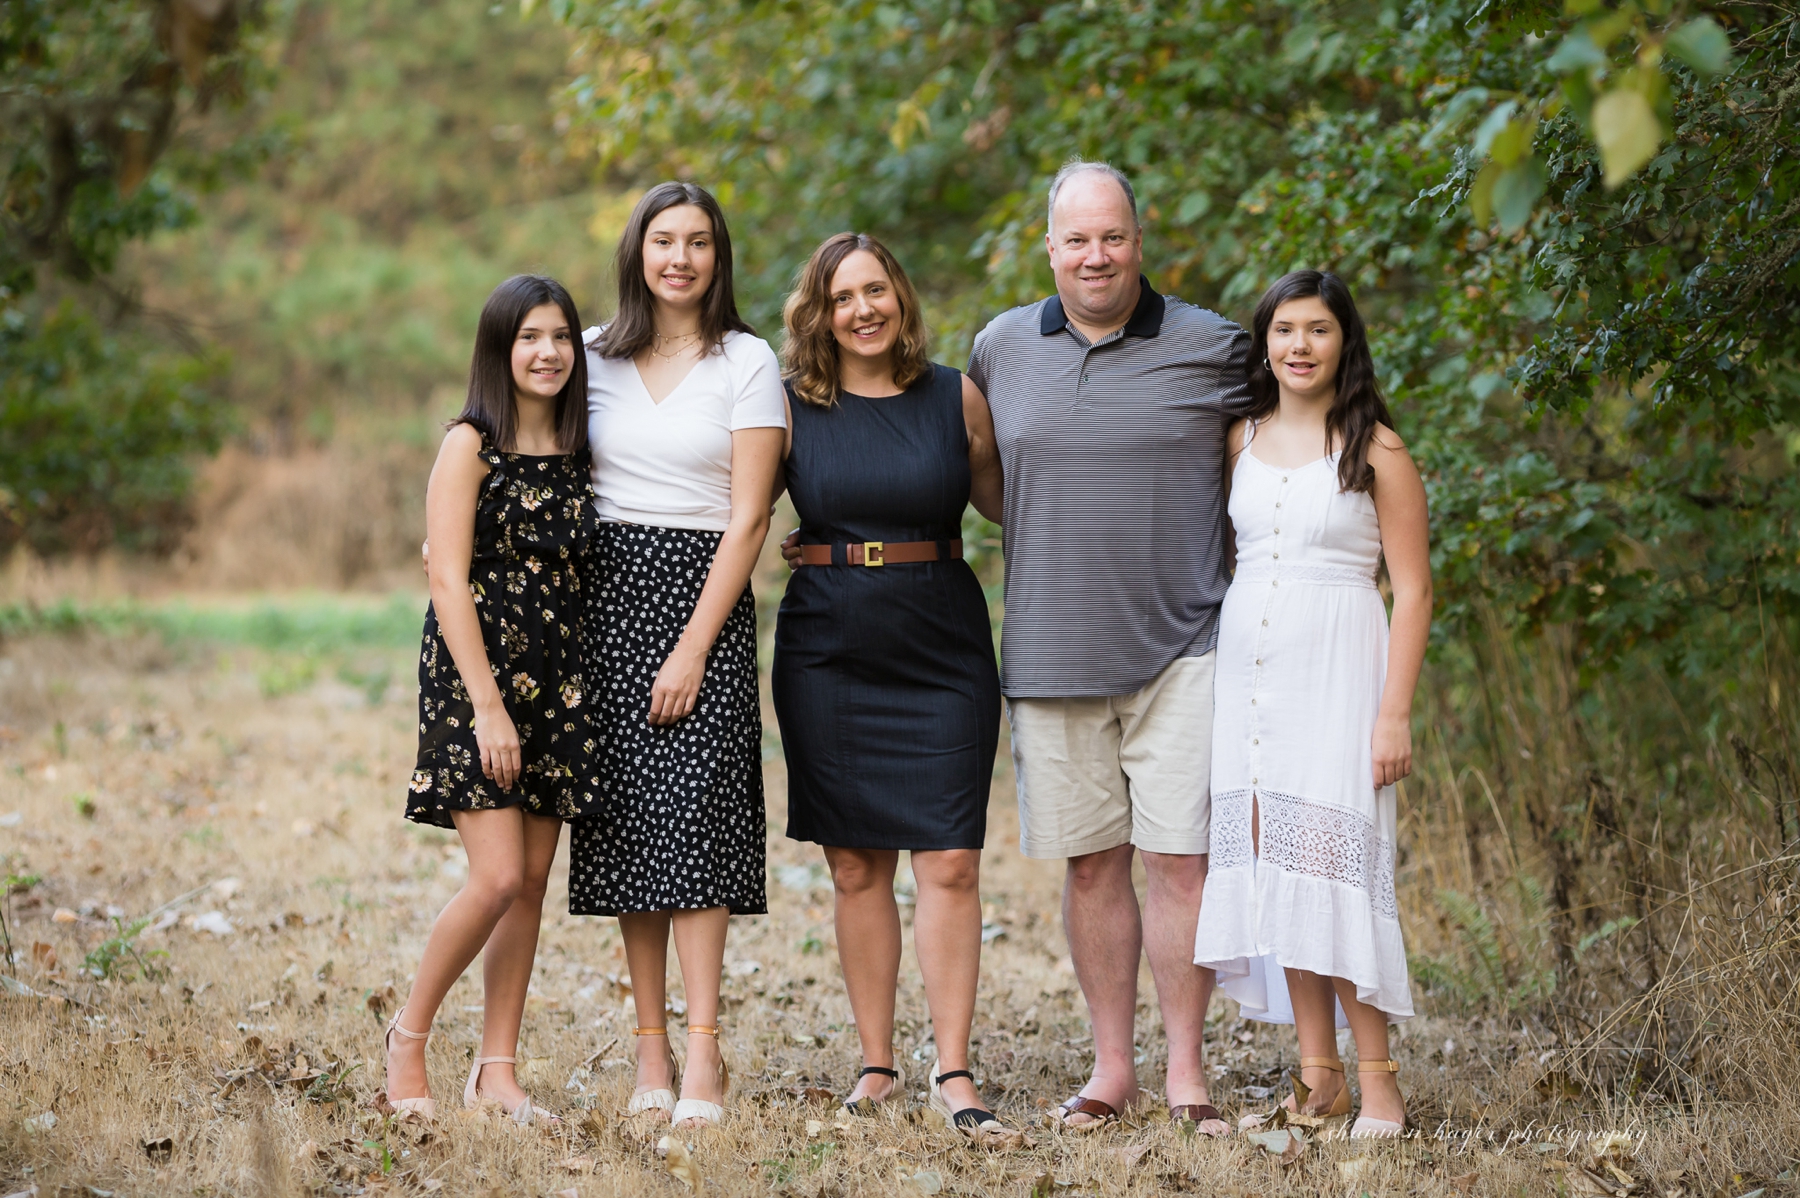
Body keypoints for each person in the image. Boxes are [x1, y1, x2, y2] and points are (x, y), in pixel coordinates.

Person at [966, 160, 1249, 1135]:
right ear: (1048, 247)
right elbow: (980, 476)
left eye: (1113, 236)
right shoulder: (1000, 347)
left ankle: (1186, 1072)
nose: (1096, 255)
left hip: (1187, 646)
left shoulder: (1215, 346)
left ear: (1141, 238)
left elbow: (1279, 462)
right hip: (1050, 650)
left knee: (1180, 864)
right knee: (1092, 868)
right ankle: (1111, 1069)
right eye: (1077, 239)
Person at [770, 233, 1009, 1136]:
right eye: (843, 298)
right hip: (828, 643)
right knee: (855, 860)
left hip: (942, 641)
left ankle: (955, 1071)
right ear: (819, 315)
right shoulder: (791, 408)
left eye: (877, 291)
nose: (863, 310)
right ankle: (877, 1064)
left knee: (949, 858)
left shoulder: (959, 396)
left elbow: (1014, 502)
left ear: (901, 299)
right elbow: (733, 511)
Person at [567, 182, 786, 1131]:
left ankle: (704, 1052)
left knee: (695, 821)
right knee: (625, 831)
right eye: (664, 240)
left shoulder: (747, 360)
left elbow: (749, 517)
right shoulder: (588, 356)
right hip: (603, 604)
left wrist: (693, 645)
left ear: (717, 256)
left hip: (703, 597)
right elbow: (530, 456)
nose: (681, 258)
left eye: (698, 242)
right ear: (638, 251)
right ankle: (649, 1053)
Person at [1192, 270, 1427, 1138]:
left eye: (1317, 330)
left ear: (1343, 343)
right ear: (1265, 342)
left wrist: (1393, 712)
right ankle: (1316, 1076)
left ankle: (1380, 1087)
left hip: (1341, 673)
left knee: (1335, 866)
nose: (1299, 345)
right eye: (1284, 329)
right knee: (1277, 865)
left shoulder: (1379, 450)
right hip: (1250, 676)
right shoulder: (1238, 439)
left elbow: (1414, 589)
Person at [385, 274, 600, 1126]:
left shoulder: (586, 447)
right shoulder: (470, 443)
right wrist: (487, 705)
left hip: (564, 679)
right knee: (499, 873)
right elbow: (445, 574)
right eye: (528, 338)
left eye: (560, 337)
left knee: (534, 880)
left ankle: (496, 1070)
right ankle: (407, 1038)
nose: (546, 353)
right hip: (480, 679)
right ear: (499, 350)